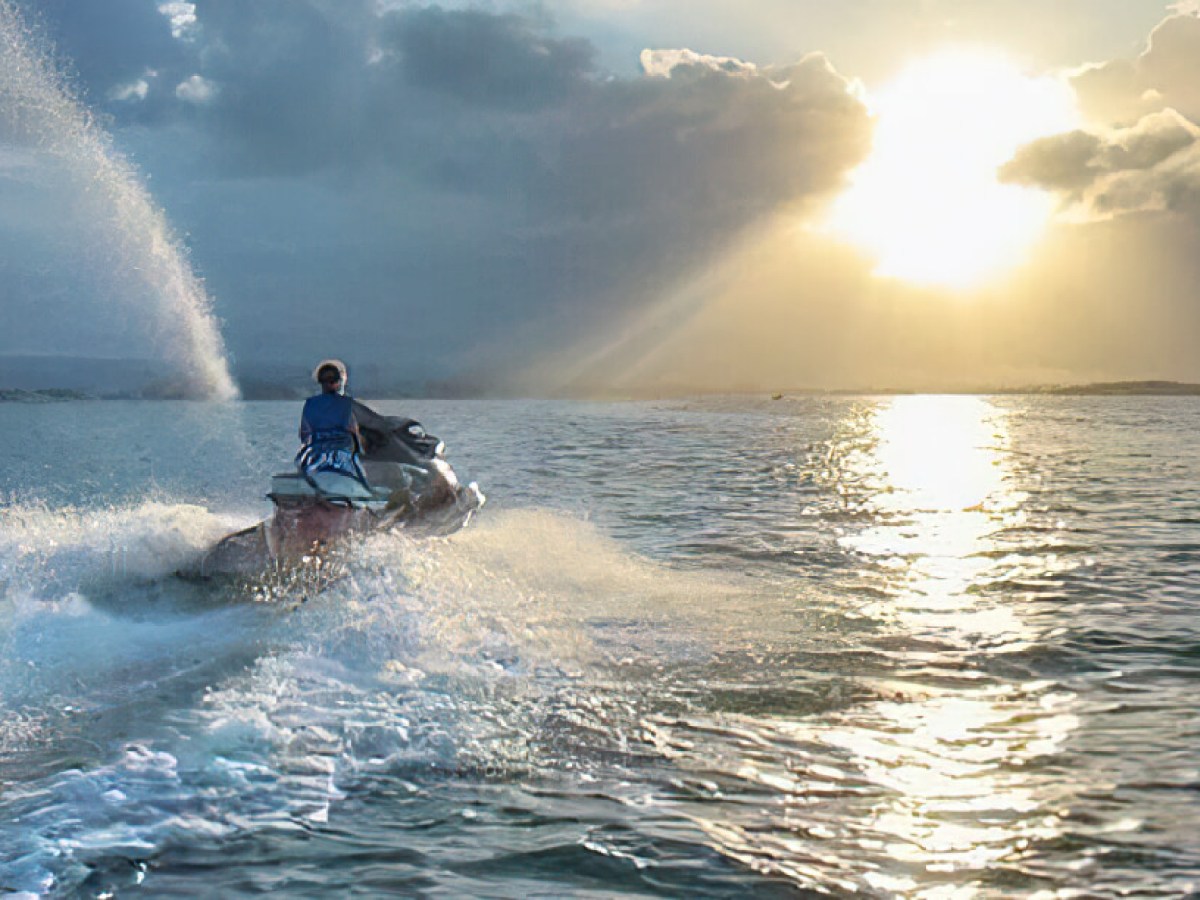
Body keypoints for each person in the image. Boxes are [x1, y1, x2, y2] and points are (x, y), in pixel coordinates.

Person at [295, 359, 368, 486]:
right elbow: (353, 430)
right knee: (361, 479)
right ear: (339, 381)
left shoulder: (310, 404)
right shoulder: (347, 404)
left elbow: (303, 434)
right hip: (342, 457)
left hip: (313, 457)